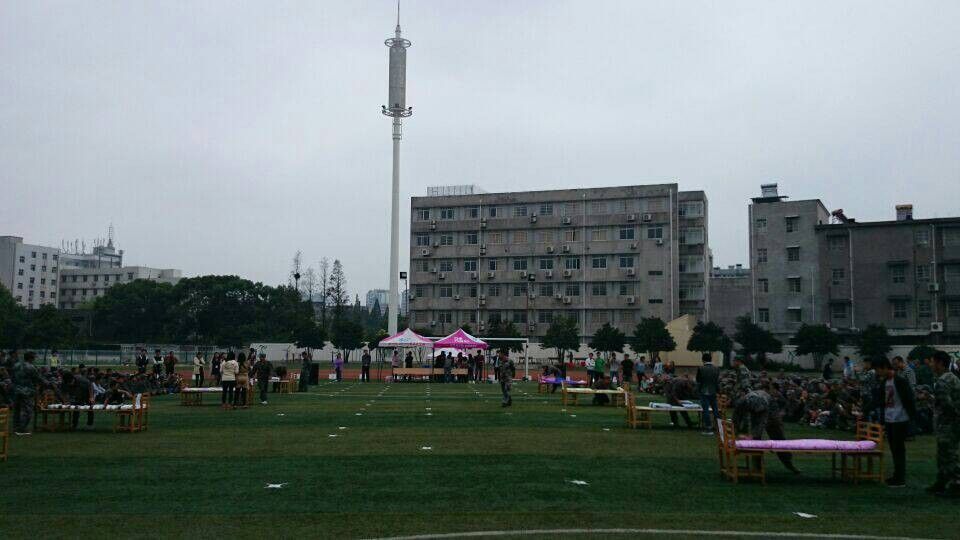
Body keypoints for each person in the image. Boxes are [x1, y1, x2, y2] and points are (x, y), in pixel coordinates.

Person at [733, 389, 801, 474]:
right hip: (760, 406)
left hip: (771, 412)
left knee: (778, 440)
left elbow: (762, 422)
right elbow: (736, 419)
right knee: (756, 441)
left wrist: (755, 436)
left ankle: (789, 464)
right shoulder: (741, 403)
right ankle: (758, 467)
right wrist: (737, 433)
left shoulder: (762, 405)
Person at [874, 356, 917, 488]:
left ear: (885, 367)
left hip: (900, 418)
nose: (877, 373)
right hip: (889, 419)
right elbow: (879, 400)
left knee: (898, 449)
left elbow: (909, 400)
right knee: (894, 448)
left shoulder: (900, 381)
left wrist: (912, 419)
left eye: (878, 370)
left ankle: (900, 478)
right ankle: (897, 475)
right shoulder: (885, 382)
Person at [928, 350, 960, 497]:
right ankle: (941, 481)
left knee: (948, 454)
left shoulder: (942, 381)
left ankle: (956, 484)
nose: (931, 364)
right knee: (944, 453)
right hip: (952, 423)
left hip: (948, 424)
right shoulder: (952, 377)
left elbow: (946, 405)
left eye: (932, 361)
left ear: (939, 363)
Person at [12, 351, 43, 435]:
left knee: (17, 410)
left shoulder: (16, 365)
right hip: (27, 391)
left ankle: (15, 427)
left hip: (16, 389)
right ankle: (22, 429)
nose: (34, 360)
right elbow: (38, 378)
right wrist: (47, 383)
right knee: (27, 411)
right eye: (34, 358)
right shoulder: (31, 367)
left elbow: (12, 377)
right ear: (30, 358)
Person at [696, 353, 721, 435]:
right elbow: (717, 381)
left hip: (704, 391)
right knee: (715, 409)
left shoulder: (701, 368)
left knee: (706, 410)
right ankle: (719, 427)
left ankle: (708, 428)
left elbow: (698, 380)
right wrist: (718, 391)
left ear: (703, 360)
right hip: (713, 391)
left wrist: (698, 391)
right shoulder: (717, 368)